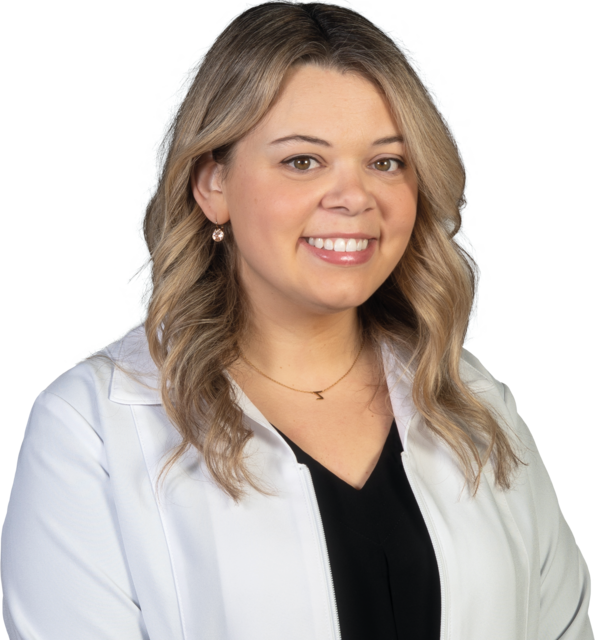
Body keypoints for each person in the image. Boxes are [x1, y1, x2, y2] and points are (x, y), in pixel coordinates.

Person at [2, 1, 592, 639]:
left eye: (386, 162)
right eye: (303, 161)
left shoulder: (476, 404)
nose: (355, 197)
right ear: (213, 184)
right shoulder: (91, 429)